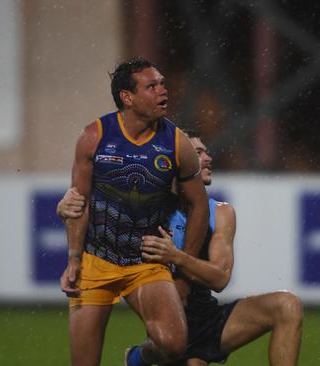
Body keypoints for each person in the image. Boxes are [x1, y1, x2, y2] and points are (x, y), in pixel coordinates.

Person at [59, 130, 303, 366]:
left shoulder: (221, 212)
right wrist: (64, 208)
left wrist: (177, 256)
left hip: (208, 317)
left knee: (287, 306)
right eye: (198, 153)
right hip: (172, 326)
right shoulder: (148, 209)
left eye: (206, 152)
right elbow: (98, 219)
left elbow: (219, 279)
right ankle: (141, 357)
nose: (207, 158)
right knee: (175, 346)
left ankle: (138, 358)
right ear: (178, 162)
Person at [60, 57, 209, 366]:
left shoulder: (177, 143)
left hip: (146, 263)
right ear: (127, 97)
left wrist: (183, 274)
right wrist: (74, 260)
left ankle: (137, 359)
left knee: (174, 344)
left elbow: (199, 206)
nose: (162, 91)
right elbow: (78, 203)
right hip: (96, 261)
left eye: (163, 84)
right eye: (151, 86)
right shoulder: (94, 136)